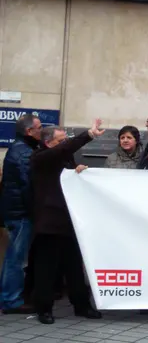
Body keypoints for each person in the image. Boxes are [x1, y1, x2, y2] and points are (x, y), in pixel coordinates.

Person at [30, 119, 105, 325]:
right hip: (49, 225)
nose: (65, 144)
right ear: (48, 143)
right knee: (46, 269)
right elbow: (60, 155)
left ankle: (82, 306)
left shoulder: (65, 159)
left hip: (70, 222)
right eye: (61, 141)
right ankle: (43, 309)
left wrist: (78, 172)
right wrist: (88, 135)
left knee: (74, 269)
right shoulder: (41, 158)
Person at [0, 114, 41, 314]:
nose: (41, 131)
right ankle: (11, 300)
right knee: (16, 259)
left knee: (13, 257)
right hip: (21, 213)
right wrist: (35, 210)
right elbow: (28, 185)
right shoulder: (24, 152)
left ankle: (9, 296)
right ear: (29, 131)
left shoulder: (17, 148)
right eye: (39, 128)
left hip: (14, 211)